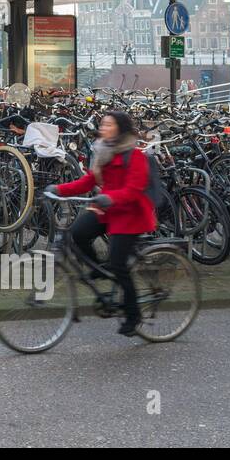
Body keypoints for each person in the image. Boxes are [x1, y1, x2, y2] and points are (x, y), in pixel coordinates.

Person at [47, 111, 155, 337]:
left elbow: (134, 190)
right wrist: (59, 189)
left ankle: (133, 316)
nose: (103, 127)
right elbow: (88, 181)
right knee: (78, 233)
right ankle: (98, 270)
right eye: (103, 124)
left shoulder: (134, 156)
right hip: (107, 209)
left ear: (120, 129)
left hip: (130, 214)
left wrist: (111, 198)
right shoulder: (103, 151)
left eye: (108, 124)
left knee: (119, 264)